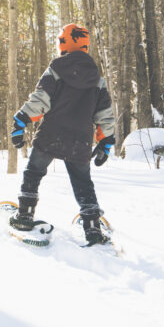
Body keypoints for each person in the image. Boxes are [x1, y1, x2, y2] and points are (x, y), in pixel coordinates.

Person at [9, 23, 117, 245]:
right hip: (80, 141)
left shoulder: (56, 70)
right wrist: (106, 142)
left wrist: (21, 120)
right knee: (83, 183)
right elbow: (104, 115)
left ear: (64, 42)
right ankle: (92, 227)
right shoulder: (97, 79)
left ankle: (25, 214)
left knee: (34, 172)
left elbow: (40, 101)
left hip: (51, 135)